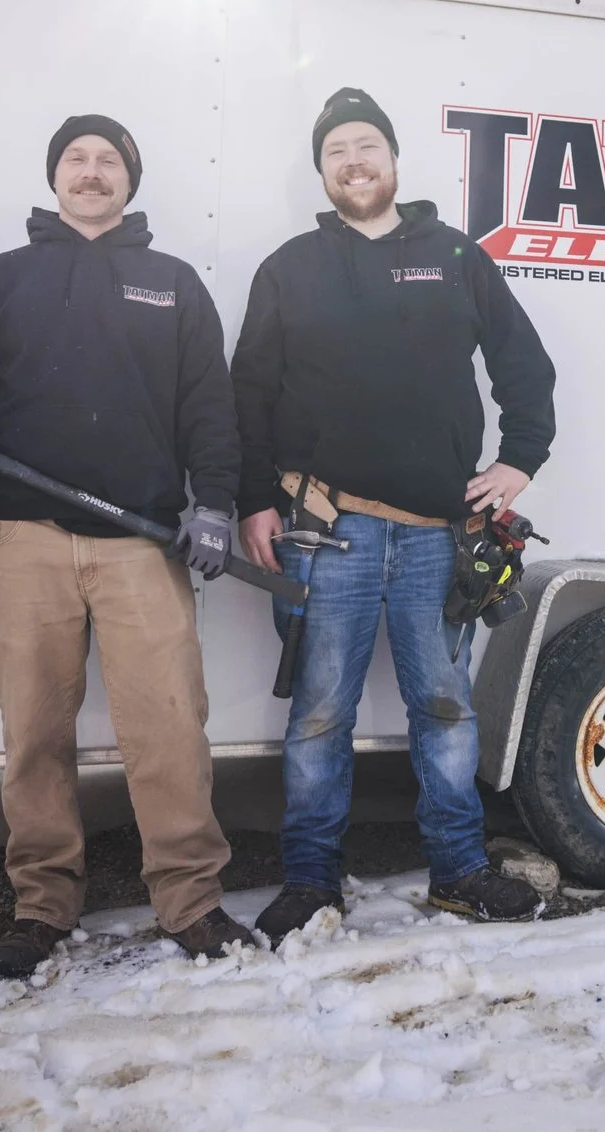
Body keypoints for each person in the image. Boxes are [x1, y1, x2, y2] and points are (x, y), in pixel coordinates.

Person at [233, 87, 558, 944]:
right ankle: (311, 882)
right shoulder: (290, 266)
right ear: (323, 171)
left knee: (445, 710)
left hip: (434, 537)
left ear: (394, 160)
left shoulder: (455, 254)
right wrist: (253, 503)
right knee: (317, 714)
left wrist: (521, 457)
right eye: (336, 149)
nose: (354, 161)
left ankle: (458, 870)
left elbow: (524, 364)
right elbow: (249, 397)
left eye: (367, 144)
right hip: (322, 531)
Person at [0, 115, 256, 976]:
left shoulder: (172, 282)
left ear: (130, 179)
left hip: (142, 543)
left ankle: (189, 901)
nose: (91, 172)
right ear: (54, 177)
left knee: (169, 731)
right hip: (24, 538)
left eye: (107, 160)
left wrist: (216, 504)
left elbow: (209, 409)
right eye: (76, 159)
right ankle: (42, 905)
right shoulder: (3, 279)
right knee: (34, 731)